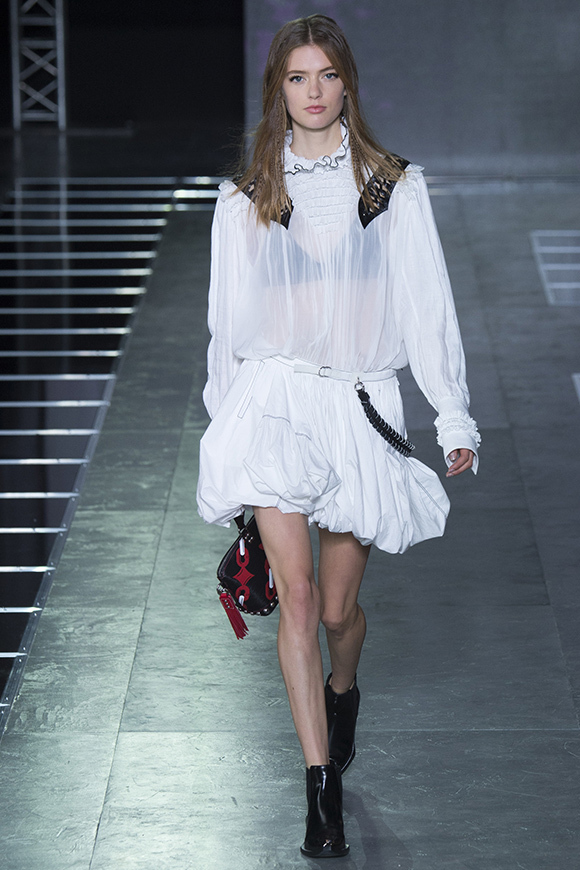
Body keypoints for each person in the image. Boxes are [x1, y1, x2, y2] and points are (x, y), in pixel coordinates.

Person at [197, 13, 480, 859]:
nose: (313, 91)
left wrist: (453, 414)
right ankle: (320, 791)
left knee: (336, 610)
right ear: (277, 90)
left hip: (359, 404)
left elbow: (427, 307)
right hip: (274, 403)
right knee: (295, 598)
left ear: (347, 83)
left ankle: (344, 686)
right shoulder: (244, 198)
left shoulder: (394, 188)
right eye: (297, 77)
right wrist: (228, 441)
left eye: (326, 75)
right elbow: (226, 329)